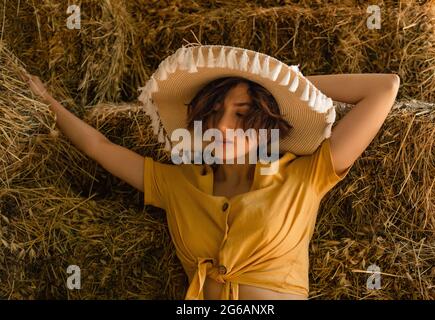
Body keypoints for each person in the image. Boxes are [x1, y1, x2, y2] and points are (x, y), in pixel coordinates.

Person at [21, 44, 400, 300]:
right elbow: (99, 147)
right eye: (213, 113)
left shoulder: (305, 175)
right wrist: (46, 101)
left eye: (241, 115)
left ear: (266, 121)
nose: (221, 127)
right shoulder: (176, 183)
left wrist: (283, 89)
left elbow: (384, 88)